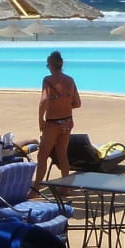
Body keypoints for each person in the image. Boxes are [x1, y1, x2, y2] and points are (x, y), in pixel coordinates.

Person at [36, 51, 81, 183]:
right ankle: (65, 187)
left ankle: (36, 187)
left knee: (42, 155)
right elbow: (77, 103)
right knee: (62, 155)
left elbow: (44, 100)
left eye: (47, 65)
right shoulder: (70, 80)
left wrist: (40, 119)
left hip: (53, 123)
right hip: (67, 121)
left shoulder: (48, 80)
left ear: (51, 65)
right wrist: (63, 105)